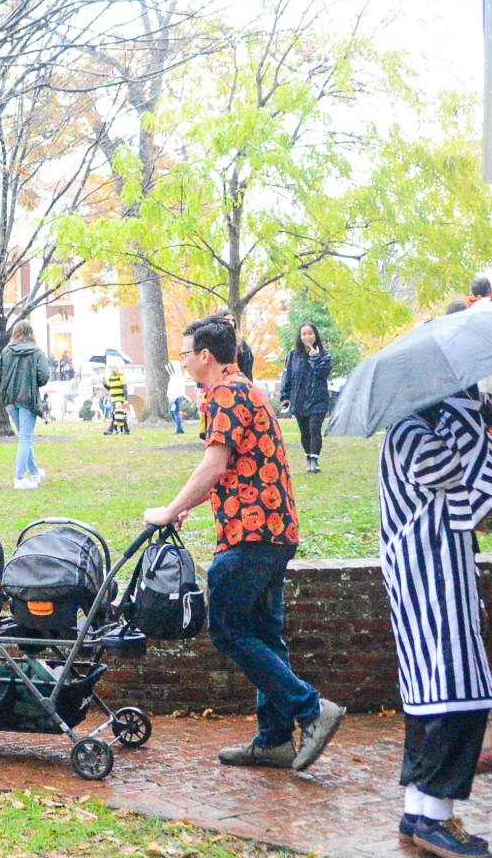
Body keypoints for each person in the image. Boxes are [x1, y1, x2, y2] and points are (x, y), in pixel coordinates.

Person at [146, 314, 345, 771]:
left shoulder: (226, 393)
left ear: (205, 357)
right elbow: (234, 466)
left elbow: (214, 466)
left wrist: (170, 509)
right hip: (275, 531)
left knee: (229, 630)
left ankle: (311, 710)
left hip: (251, 534)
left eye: (184, 354)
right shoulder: (246, 388)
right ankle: (274, 740)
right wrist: (190, 504)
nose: (182, 360)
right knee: (264, 633)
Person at [378, 391, 492, 858]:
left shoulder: (419, 428)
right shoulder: (412, 432)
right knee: (455, 697)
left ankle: (417, 810)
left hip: (441, 576)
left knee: (429, 693)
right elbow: (460, 480)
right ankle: (436, 816)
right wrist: (475, 428)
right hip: (428, 578)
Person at [0, 322, 54, 490]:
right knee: (25, 438)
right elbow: (44, 376)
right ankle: (19, 478)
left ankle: (35, 473)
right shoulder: (36, 352)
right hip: (27, 398)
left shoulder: (6, 352)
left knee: (24, 436)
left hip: (9, 399)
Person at [278, 323, 334, 473]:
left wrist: (315, 358)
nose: (307, 337)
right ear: (300, 336)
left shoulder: (324, 354)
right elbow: (287, 376)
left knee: (314, 428)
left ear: (315, 335)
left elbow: (323, 373)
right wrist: (285, 396)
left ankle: (314, 461)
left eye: (310, 333)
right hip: (299, 399)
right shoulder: (293, 355)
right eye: (304, 334)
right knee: (305, 432)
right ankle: (308, 457)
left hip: (318, 399)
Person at [103, 366, 131, 436]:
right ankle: (126, 430)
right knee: (117, 415)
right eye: (112, 370)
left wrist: (126, 399)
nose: (113, 371)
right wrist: (104, 384)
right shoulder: (110, 377)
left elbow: (125, 388)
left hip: (120, 398)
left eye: (115, 370)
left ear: (117, 370)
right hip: (113, 399)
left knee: (118, 414)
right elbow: (109, 388)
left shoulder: (121, 376)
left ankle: (110, 430)